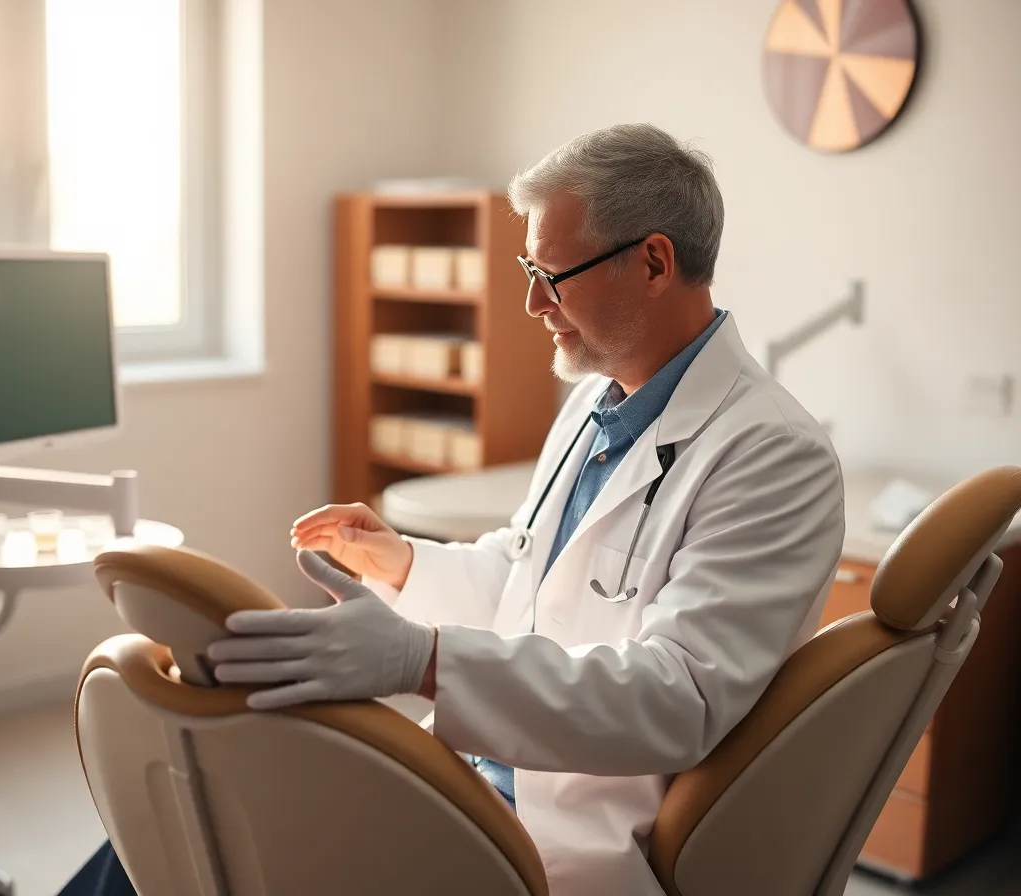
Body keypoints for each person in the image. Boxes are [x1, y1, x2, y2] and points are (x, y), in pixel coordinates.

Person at [59, 122, 844, 895]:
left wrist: (422, 660)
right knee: (178, 811)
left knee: (213, 835)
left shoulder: (773, 456)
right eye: (526, 268)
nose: (534, 302)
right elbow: (527, 570)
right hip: (474, 777)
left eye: (554, 275)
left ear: (653, 262)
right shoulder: (595, 404)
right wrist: (404, 562)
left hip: (557, 840)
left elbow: (676, 698)